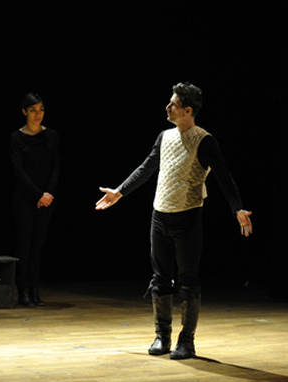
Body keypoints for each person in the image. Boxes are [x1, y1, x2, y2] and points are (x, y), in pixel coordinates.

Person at [95, 82, 253, 359]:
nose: (167, 107)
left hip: (187, 217)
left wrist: (237, 208)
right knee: (160, 278)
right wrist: (120, 192)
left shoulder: (203, 139)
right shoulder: (164, 136)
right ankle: (162, 336)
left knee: (187, 280)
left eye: (174, 104)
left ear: (188, 110)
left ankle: (186, 341)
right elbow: (146, 168)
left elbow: (223, 175)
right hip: (160, 215)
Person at [10, 92, 61, 306]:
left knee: (37, 246)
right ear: (24, 112)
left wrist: (47, 193)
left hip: (46, 199)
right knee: (24, 244)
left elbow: (55, 167)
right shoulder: (17, 137)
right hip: (25, 198)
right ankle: (22, 290)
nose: (37, 114)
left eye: (41, 109)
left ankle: (34, 289)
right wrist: (38, 194)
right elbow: (18, 171)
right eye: (33, 110)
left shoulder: (51, 135)